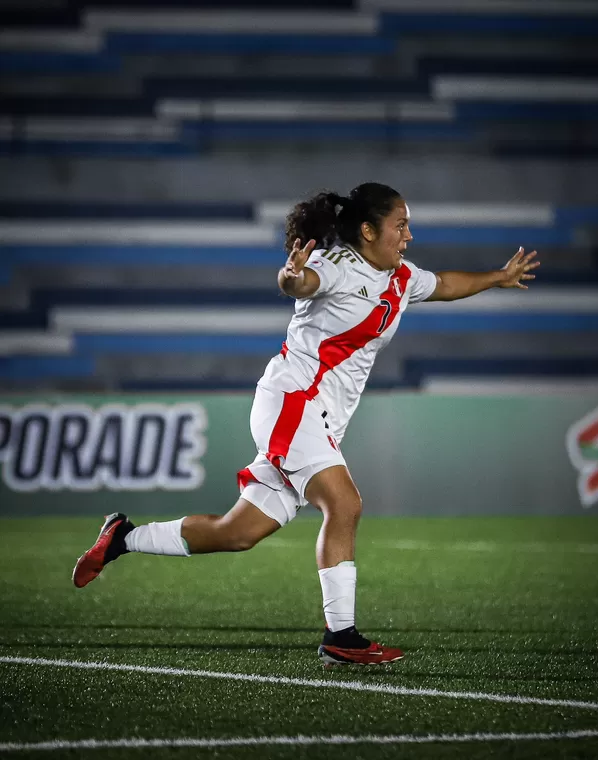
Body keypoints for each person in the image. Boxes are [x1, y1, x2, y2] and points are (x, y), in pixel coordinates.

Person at [72, 182, 540, 667]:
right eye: (399, 225)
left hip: (312, 419)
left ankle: (123, 537)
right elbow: (300, 284)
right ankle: (342, 636)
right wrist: (290, 275)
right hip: (292, 403)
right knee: (345, 502)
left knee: (238, 532)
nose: (408, 235)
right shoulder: (337, 267)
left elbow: (444, 285)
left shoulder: (401, 278)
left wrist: (498, 277)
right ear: (366, 230)